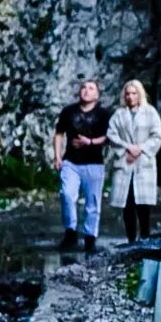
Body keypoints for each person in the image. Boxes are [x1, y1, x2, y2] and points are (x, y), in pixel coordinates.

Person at [51, 79, 113, 249]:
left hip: (94, 163)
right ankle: (70, 231)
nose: (86, 90)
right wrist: (57, 156)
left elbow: (110, 138)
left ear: (97, 94)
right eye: (83, 87)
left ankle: (90, 236)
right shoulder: (68, 111)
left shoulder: (104, 114)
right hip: (70, 161)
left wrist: (90, 141)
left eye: (91, 88)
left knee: (92, 201)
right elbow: (59, 134)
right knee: (67, 194)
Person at [107, 79, 161, 245]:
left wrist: (140, 149)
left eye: (134, 93)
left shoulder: (150, 112)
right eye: (128, 94)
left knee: (143, 202)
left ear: (140, 95)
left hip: (143, 161)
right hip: (125, 161)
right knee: (128, 201)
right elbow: (111, 135)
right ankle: (131, 238)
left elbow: (157, 136)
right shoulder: (119, 114)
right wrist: (127, 148)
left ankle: (145, 236)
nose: (130, 97)